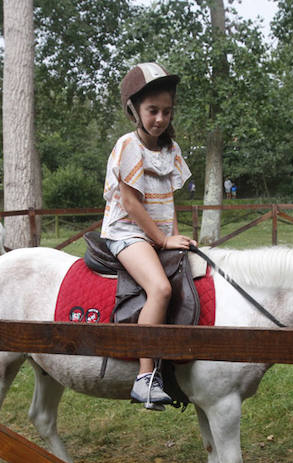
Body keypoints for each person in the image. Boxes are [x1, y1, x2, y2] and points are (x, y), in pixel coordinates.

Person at [101, 62, 195, 410]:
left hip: (155, 232)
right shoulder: (128, 146)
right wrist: (161, 240)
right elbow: (132, 203)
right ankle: (145, 377)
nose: (160, 118)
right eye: (152, 110)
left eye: (166, 111)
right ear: (134, 111)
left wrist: (175, 234)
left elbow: (167, 200)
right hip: (127, 231)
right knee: (160, 288)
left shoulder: (170, 149)